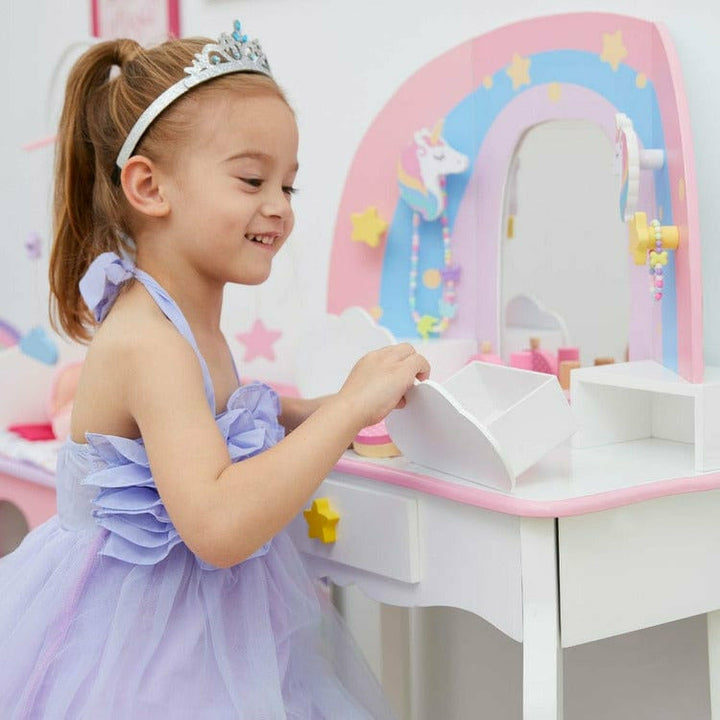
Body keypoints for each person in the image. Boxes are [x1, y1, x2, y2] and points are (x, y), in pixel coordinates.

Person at [0, 21, 430, 719]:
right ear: (149, 186)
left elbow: (219, 419)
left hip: (203, 625)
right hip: (140, 650)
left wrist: (326, 407)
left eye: (288, 186)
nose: (278, 207)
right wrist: (349, 409)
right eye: (253, 180)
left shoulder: (185, 319)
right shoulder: (150, 341)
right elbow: (219, 525)